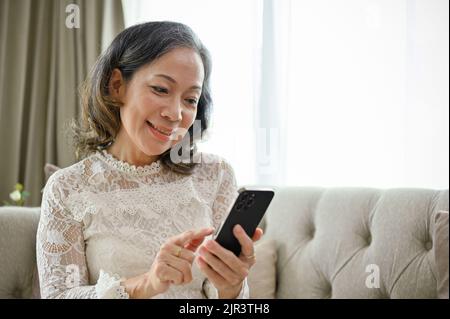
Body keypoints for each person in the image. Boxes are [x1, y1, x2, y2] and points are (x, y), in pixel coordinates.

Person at [36, 21, 262, 299]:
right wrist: (146, 284)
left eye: (190, 99)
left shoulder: (215, 175)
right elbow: (58, 295)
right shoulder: (67, 188)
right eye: (161, 89)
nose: (176, 113)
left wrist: (232, 287)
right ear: (117, 85)